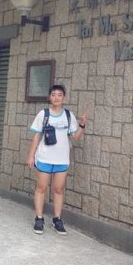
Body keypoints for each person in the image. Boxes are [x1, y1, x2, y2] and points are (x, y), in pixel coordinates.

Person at [27, 84, 87, 235]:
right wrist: (31, 156)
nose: (56, 98)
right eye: (53, 95)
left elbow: (76, 137)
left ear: (64, 97)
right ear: (49, 97)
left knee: (58, 190)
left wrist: (82, 125)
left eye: (59, 95)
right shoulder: (43, 114)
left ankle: (57, 220)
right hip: (44, 158)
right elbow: (36, 137)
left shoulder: (68, 115)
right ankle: (39, 218)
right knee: (41, 187)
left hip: (62, 160)